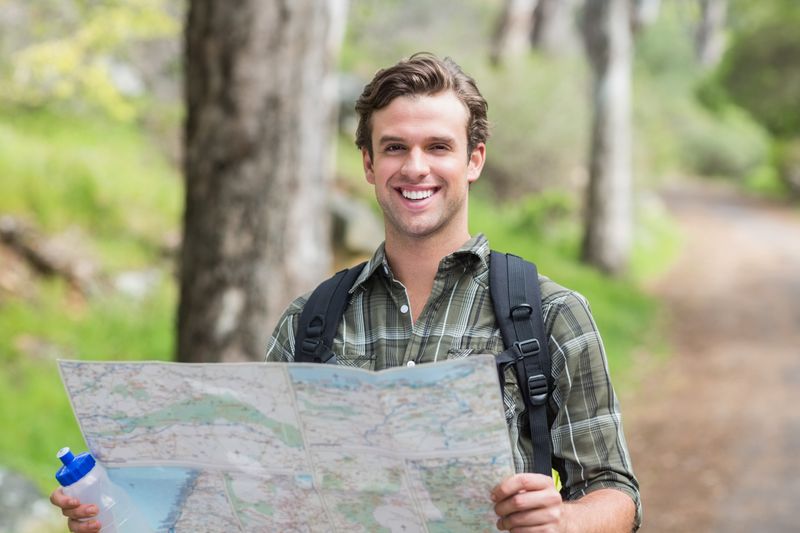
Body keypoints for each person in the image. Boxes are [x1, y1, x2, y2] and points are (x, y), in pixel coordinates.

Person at [51, 52, 640, 532]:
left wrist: (565, 519)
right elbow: (253, 503)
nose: (415, 167)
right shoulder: (310, 322)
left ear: (474, 160)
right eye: (394, 147)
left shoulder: (550, 315)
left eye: (438, 147)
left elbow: (617, 493)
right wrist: (119, 515)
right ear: (367, 163)